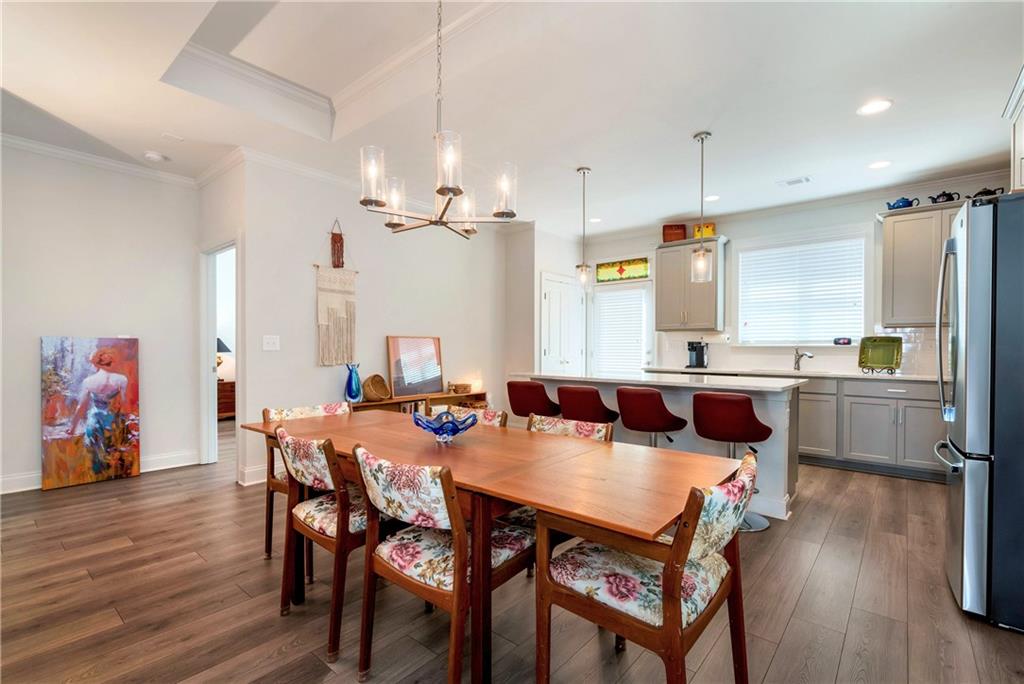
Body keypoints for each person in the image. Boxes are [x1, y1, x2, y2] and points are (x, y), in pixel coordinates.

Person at [66, 347, 130, 475]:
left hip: (95, 421)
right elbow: (124, 404)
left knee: (96, 457)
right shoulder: (122, 379)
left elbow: (81, 407)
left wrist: (72, 428)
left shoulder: (89, 381)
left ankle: (97, 476)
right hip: (113, 421)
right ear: (112, 362)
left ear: (95, 363)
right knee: (114, 454)